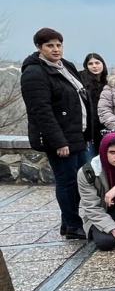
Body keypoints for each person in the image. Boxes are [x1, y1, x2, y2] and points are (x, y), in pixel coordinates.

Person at [21, 28, 93, 239]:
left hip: (76, 135)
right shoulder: (34, 73)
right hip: (61, 139)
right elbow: (41, 112)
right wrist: (59, 142)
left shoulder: (65, 66)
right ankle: (72, 224)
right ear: (39, 48)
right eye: (50, 45)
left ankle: (68, 222)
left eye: (58, 45)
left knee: (80, 181)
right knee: (67, 182)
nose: (55, 49)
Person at [80, 53, 108, 150]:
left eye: (97, 63)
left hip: (104, 127)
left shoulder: (107, 82)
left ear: (103, 64)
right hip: (88, 128)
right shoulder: (81, 81)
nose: (94, 66)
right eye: (90, 64)